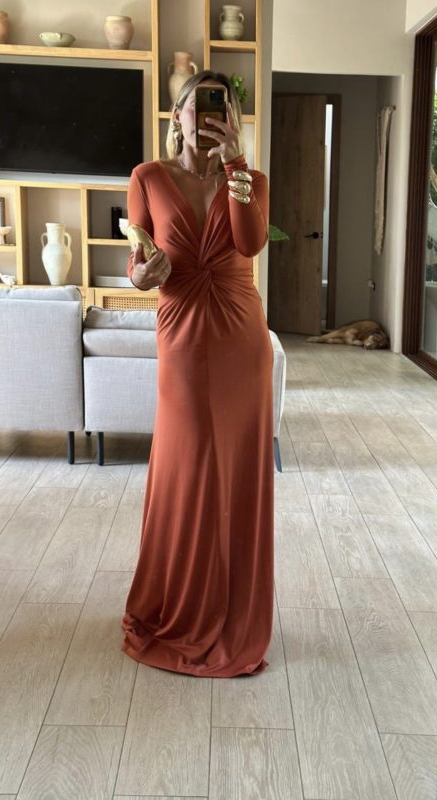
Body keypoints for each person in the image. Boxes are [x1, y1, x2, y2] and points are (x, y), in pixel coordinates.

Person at [120, 71, 274, 678]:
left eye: (223, 106)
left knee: (235, 470)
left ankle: (232, 610)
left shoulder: (251, 179)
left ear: (233, 120)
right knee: (185, 466)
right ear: (176, 115)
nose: (209, 115)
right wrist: (140, 276)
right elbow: (137, 261)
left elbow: (250, 243)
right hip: (181, 332)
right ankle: (177, 605)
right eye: (199, 105)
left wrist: (236, 166)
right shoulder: (147, 178)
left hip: (241, 338)